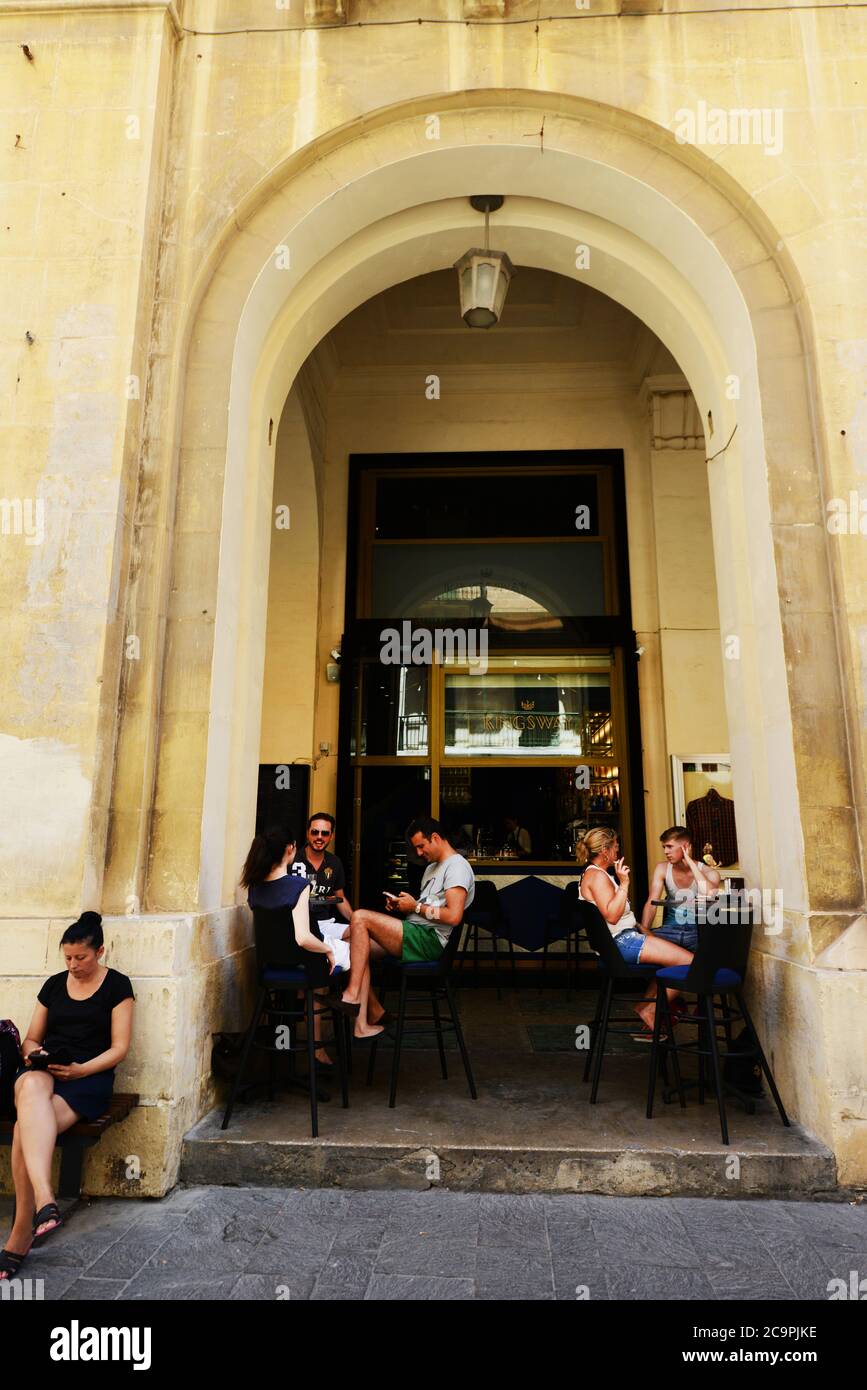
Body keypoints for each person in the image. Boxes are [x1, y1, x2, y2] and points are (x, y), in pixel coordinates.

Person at [0, 912, 135, 1282]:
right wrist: (34, 1055)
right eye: (68, 958)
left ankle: (19, 1235)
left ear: (100, 951)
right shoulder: (55, 985)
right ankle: (46, 1202)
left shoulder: (117, 987)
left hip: (87, 1078)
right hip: (46, 1071)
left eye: (81, 958)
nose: (73, 965)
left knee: (25, 1131)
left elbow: (120, 1047)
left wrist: (81, 1070)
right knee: (28, 1086)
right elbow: (31, 1037)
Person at [335, 818, 475, 1039]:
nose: (419, 853)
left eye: (421, 846)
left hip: (430, 941)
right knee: (352, 946)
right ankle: (367, 1018)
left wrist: (416, 906)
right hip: (415, 932)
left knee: (360, 917)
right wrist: (406, 907)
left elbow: (454, 916)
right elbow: (427, 910)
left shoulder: (457, 866)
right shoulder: (431, 869)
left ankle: (352, 994)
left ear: (436, 838)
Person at [241, 826, 349, 1071]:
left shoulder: (254, 887)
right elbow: (302, 938)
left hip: (269, 970)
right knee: (345, 953)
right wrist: (327, 951)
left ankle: (293, 1045)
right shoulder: (297, 886)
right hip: (303, 971)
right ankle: (339, 1034)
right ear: (291, 849)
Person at [576, 827, 692, 1039]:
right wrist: (625, 883)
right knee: (691, 964)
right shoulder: (597, 877)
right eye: (615, 846)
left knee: (672, 959)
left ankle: (646, 1006)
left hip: (625, 939)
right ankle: (651, 1009)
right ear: (605, 850)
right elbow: (612, 916)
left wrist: (644, 929)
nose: (618, 850)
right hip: (623, 943)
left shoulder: (595, 874)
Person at [640, 825, 722, 952]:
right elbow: (652, 903)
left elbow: (709, 894)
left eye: (669, 846)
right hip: (669, 931)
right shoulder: (662, 868)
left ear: (685, 847)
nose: (665, 852)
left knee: (712, 952)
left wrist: (689, 861)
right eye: (664, 847)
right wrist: (644, 933)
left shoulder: (709, 872)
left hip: (697, 934)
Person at [295, 812, 353, 960]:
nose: (319, 837)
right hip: (300, 927)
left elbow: (339, 898)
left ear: (331, 836)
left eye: (325, 833)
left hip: (325, 924)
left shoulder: (334, 863)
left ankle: (339, 971)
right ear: (308, 833)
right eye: (315, 832)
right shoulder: (293, 860)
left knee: (359, 934)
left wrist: (356, 919)